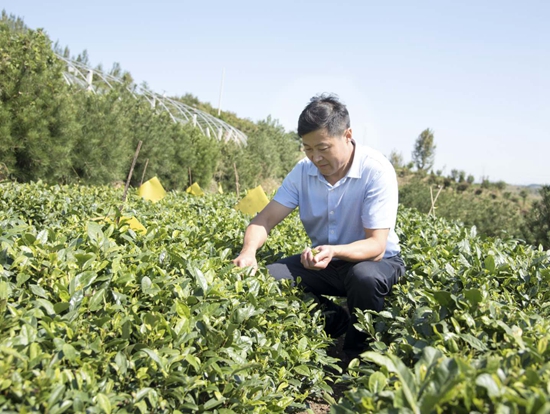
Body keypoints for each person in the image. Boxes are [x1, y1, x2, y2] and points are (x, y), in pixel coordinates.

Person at [233, 94, 405, 359]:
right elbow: (263, 220)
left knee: (364, 278)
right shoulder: (303, 171)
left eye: (323, 148)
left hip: (376, 262)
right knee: (270, 278)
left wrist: (334, 251)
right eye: (308, 148)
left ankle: (358, 357)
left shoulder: (376, 170)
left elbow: (376, 246)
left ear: (347, 135)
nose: (315, 157)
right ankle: (336, 319)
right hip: (327, 262)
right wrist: (248, 252)